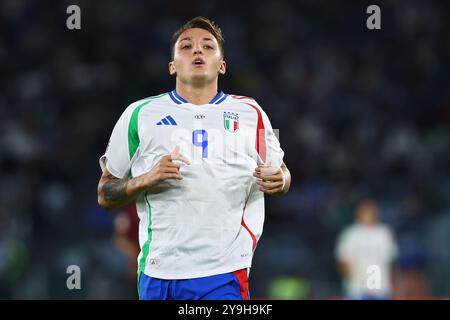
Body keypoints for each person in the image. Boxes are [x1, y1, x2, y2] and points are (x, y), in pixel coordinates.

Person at [97, 16, 291, 300]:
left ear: (222, 66)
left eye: (208, 46)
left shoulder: (251, 112)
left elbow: (282, 172)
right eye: (186, 46)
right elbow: (104, 194)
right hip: (158, 271)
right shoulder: (139, 114)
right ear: (172, 66)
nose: (197, 51)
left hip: (224, 270)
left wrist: (281, 180)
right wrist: (148, 178)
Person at [335, 199, 398, 300]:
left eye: (371, 212)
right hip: (357, 287)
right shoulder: (351, 234)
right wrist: (350, 279)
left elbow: (390, 260)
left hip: (380, 287)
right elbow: (343, 259)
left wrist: (392, 281)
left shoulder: (384, 233)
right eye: (365, 212)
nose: (368, 215)